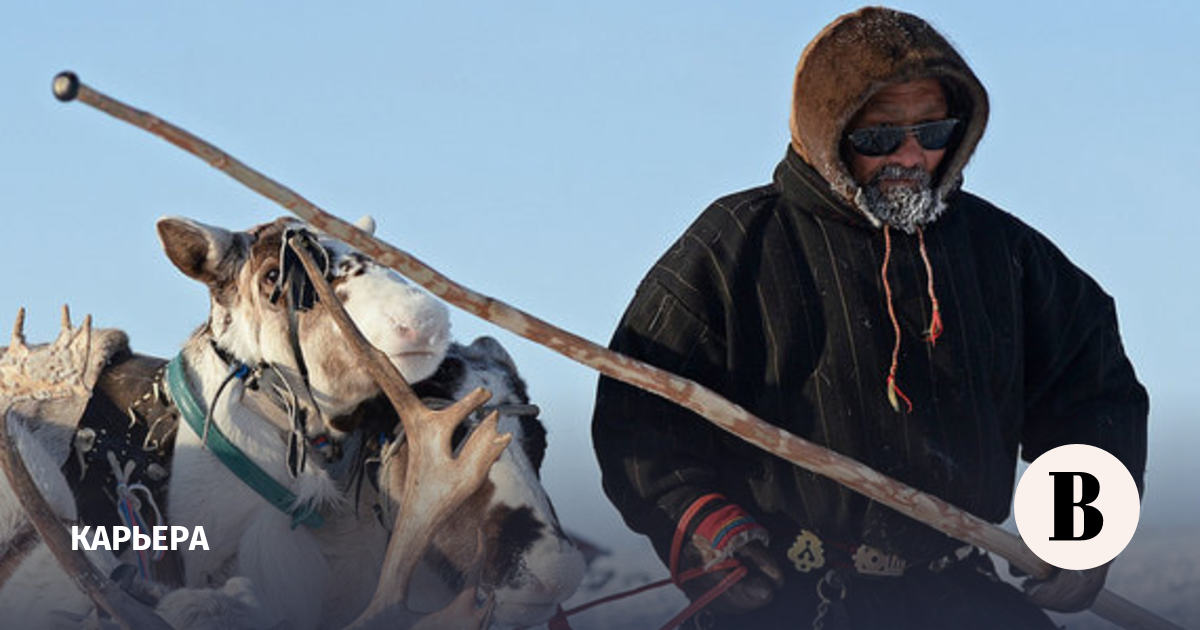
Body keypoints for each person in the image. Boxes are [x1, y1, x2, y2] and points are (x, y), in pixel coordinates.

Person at [590, 6, 1148, 629]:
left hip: (961, 591)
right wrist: (701, 523)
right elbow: (640, 409)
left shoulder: (1007, 254)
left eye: (933, 133)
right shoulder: (735, 247)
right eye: (880, 136)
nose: (910, 155)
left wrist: (1078, 533)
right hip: (794, 596)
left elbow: (1091, 389)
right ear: (828, 130)